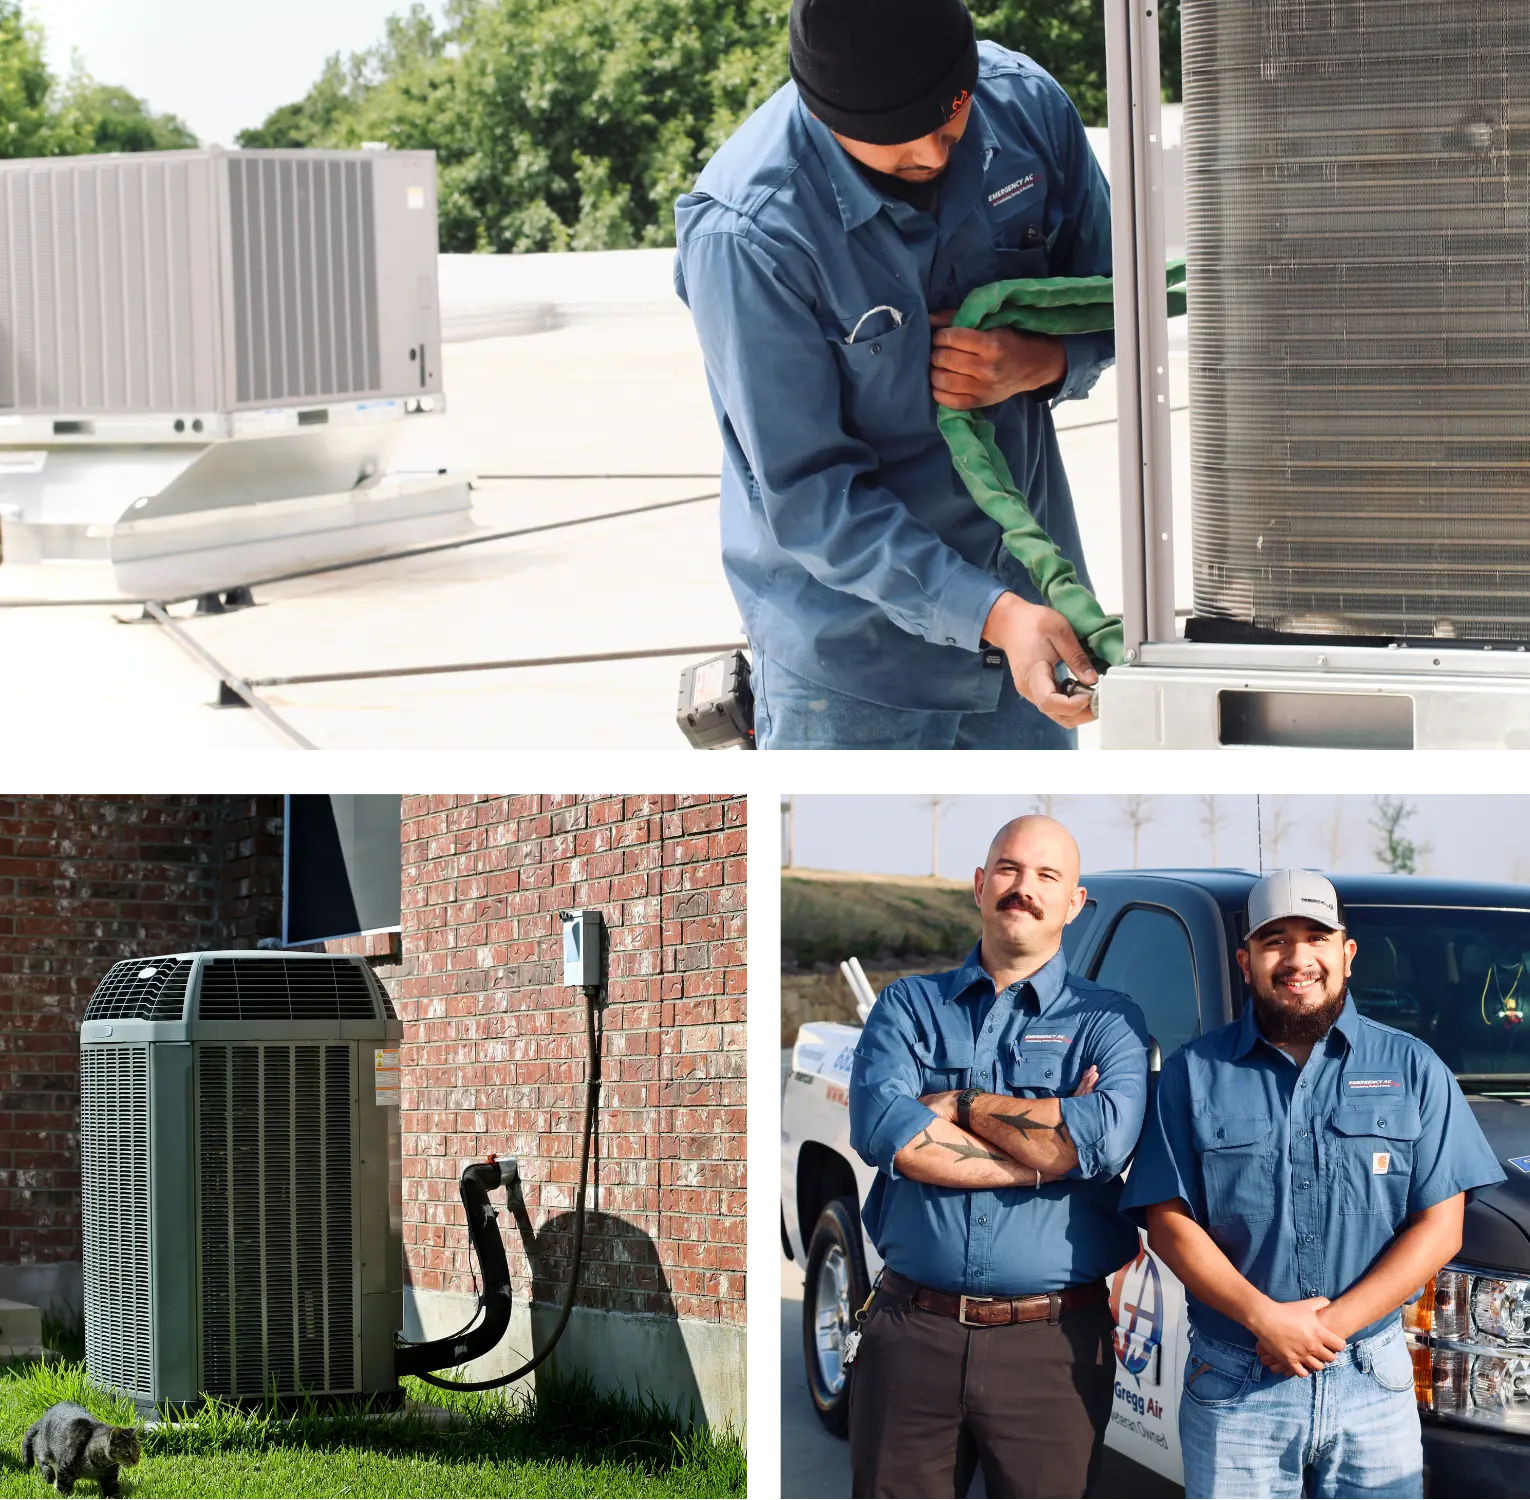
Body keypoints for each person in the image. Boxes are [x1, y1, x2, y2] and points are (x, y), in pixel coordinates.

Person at [673, 0, 1114, 752]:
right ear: (823, 114)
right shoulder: (749, 234)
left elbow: (1123, 300)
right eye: (896, 149)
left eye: (950, 125)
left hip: (1033, 641)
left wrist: (1042, 362)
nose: (935, 160)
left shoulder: (1028, 111)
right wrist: (994, 614)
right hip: (850, 676)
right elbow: (812, 496)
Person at [1119, 869, 1507, 1500]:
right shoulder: (1194, 1073)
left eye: (1316, 938)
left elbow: (1442, 1225)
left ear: (1346, 955)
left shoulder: (1414, 1069)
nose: (1298, 959)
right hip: (1235, 1380)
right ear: (1246, 962)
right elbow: (1168, 1221)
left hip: (1372, 1378)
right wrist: (1264, 1319)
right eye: (1275, 941)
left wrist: (1325, 1328)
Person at [845, 816, 1148, 1499]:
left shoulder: (1111, 1022)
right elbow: (884, 1132)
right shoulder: (909, 1007)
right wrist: (1046, 1153)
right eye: (1008, 870)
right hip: (911, 1335)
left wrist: (956, 1103)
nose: (1024, 888)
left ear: (1074, 903)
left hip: (1052, 1347)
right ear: (980, 885)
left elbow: (1099, 1141)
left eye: (1047, 876)